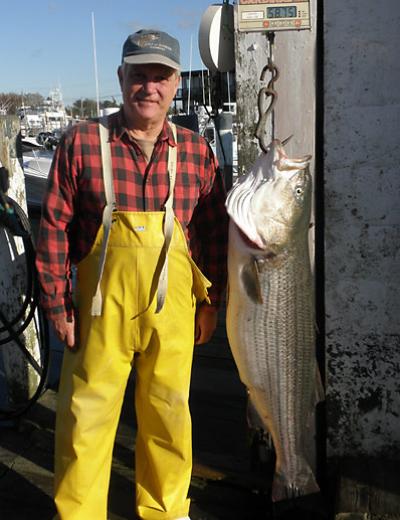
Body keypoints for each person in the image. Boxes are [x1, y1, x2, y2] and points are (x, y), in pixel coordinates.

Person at [35, 29, 228, 520]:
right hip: (99, 313)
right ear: (121, 78)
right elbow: (54, 227)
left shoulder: (196, 151)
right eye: (139, 74)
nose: (149, 87)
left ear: (176, 82)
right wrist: (58, 307)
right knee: (86, 419)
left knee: (168, 414)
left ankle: (165, 510)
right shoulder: (82, 141)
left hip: (174, 314)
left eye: (160, 76)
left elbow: (211, 232)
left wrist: (212, 300)